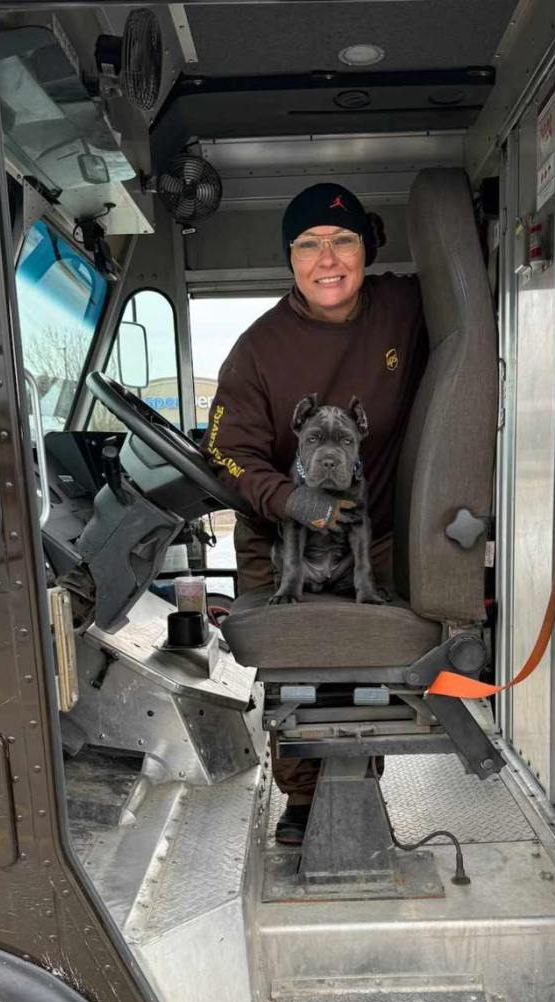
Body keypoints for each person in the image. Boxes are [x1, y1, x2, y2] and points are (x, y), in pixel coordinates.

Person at [205, 182, 428, 843]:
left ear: (367, 248)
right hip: (280, 535)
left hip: (374, 528)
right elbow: (227, 452)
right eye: (309, 246)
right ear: (290, 259)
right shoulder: (258, 351)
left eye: (343, 241)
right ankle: (303, 798)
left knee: (357, 659)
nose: (327, 260)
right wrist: (297, 501)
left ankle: (359, 779)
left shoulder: (402, 308)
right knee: (297, 661)